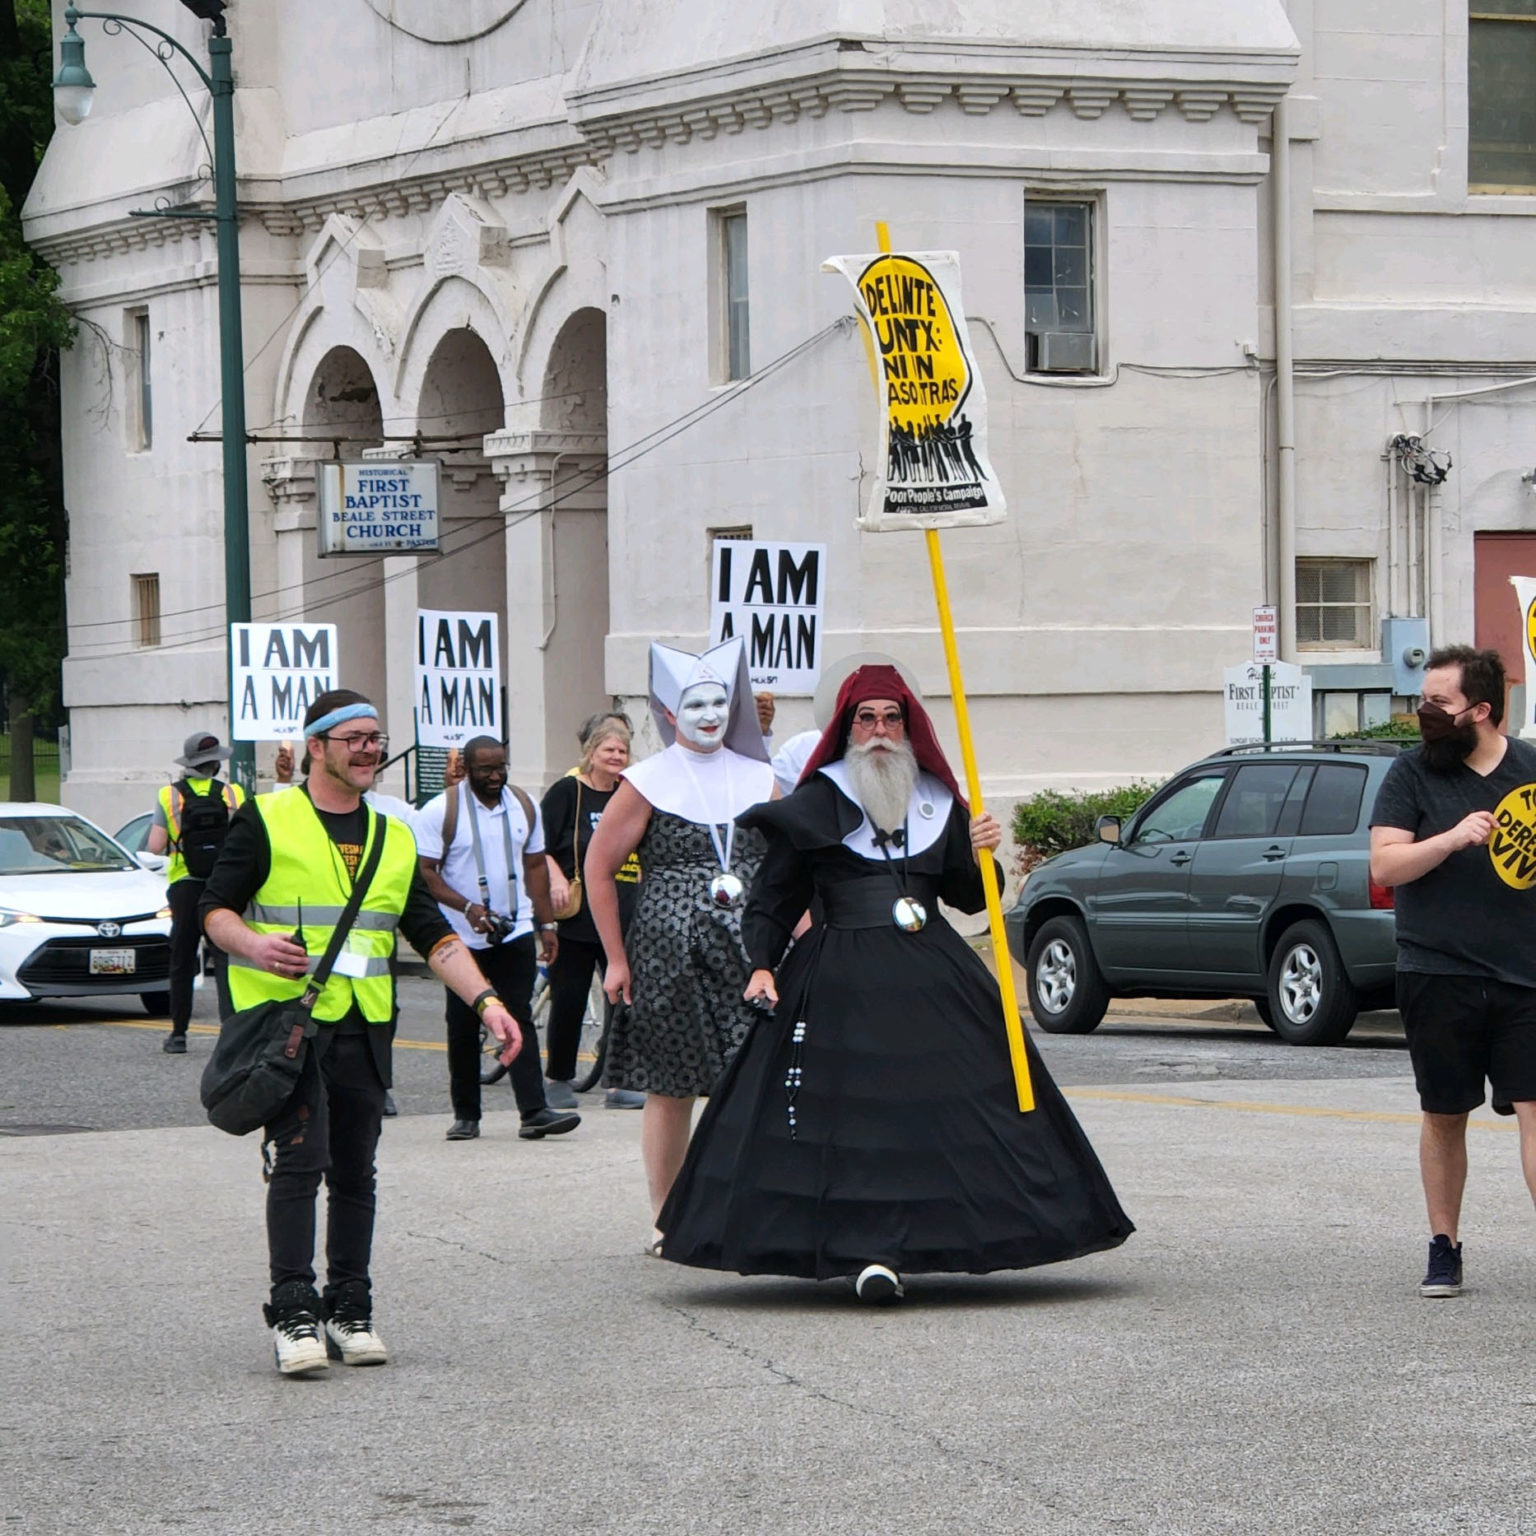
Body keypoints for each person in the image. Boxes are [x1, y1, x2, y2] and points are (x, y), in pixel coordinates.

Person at [656, 659, 1135, 1301]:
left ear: (908, 728)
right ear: (846, 728)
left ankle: (937, 1238)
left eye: (891, 718)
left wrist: (981, 853)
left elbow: (973, 898)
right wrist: (763, 963)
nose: (879, 730)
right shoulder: (816, 800)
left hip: (934, 974)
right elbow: (773, 897)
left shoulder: (939, 799)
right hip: (838, 977)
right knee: (854, 1120)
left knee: (949, 1109)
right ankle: (866, 1251)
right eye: (866, 719)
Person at [201, 689, 523, 1377]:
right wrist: (254, 946)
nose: (370, 748)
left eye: (376, 737)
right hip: (287, 1027)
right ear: (316, 746)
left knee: (355, 1171)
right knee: (300, 1160)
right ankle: (293, 1311)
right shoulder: (267, 818)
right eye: (354, 738)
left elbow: (430, 934)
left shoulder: (392, 832)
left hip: (366, 1024)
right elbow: (214, 910)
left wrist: (487, 1001)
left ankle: (350, 1308)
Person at [586, 637, 776, 1247]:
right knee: (671, 1087)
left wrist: (799, 939)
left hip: (749, 954)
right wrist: (616, 958)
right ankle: (668, 1216)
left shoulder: (762, 777)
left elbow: (788, 870)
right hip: (669, 956)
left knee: (752, 1081)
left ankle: (742, 1205)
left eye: (719, 701)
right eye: (695, 704)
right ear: (670, 713)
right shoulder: (645, 781)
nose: (709, 714)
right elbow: (598, 867)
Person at [1369, 644, 1536, 1298]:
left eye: (1439, 702)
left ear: (1483, 710)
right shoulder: (1411, 775)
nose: (1424, 713)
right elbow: (1385, 866)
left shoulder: (1529, 770)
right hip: (1438, 972)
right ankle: (1444, 1245)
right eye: (1423, 700)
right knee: (1445, 1114)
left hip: (1527, 975)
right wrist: (1452, 838)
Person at [415, 735, 578, 1143]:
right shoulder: (441, 811)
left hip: (515, 927)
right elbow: (426, 872)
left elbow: (536, 865)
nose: (494, 775)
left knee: (518, 1015)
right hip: (461, 937)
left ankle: (534, 1111)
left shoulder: (523, 805)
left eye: (500, 766)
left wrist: (546, 925)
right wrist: (468, 906)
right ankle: (466, 1114)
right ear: (467, 769)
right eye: (485, 768)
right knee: (463, 1024)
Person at [540, 714, 643, 1110]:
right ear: (591, 754)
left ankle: (618, 1081)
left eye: (622, 750)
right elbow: (541, 845)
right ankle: (558, 1079)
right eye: (609, 749)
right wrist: (555, 880)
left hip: (623, 910)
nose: (616, 756)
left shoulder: (630, 794)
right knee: (570, 997)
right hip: (578, 915)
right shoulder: (569, 792)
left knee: (625, 999)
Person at [146, 731, 245, 1054]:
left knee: (183, 959)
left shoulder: (169, 796)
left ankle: (178, 1034)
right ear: (215, 764)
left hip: (185, 885)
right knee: (227, 957)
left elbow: (155, 845)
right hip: (223, 885)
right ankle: (232, 1029)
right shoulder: (233, 793)